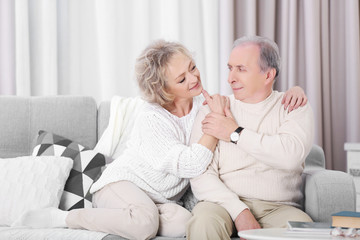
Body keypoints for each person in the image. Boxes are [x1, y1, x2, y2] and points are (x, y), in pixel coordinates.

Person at [13, 39, 306, 240]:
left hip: (161, 198)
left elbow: (253, 96)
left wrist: (293, 88)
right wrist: (214, 128)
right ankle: (66, 218)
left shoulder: (202, 104)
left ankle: (129, 217)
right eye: (181, 79)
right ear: (164, 89)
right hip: (124, 185)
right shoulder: (151, 118)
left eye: (192, 67)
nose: (193, 79)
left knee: (183, 224)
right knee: (143, 223)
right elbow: (190, 164)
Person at [186, 36, 315, 240]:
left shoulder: (293, 105)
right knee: (203, 222)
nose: (230, 78)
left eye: (241, 69)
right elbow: (200, 174)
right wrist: (239, 211)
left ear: (268, 75)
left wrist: (235, 133)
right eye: (230, 68)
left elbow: (290, 156)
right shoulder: (214, 107)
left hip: (278, 208)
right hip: (222, 204)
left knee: (303, 231)